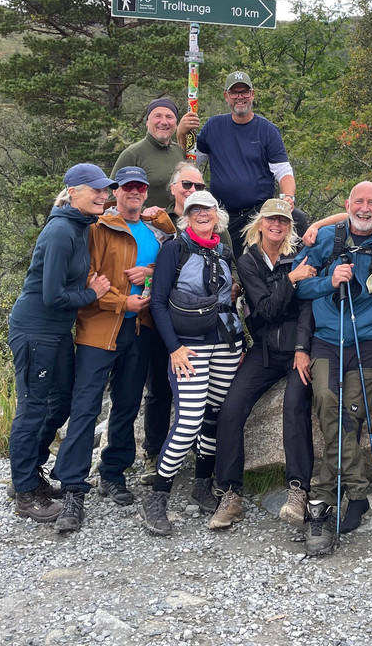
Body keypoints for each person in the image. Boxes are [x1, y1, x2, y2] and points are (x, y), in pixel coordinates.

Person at [48, 166, 175, 532]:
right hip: (100, 328)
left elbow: (168, 269)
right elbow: (84, 276)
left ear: (146, 194)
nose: (134, 193)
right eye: (127, 187)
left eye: (140, 187)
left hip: (141, 329)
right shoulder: (97, 227)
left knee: (127, 404)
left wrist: (149, 272)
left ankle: (113, 473)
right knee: (84, 406)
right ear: (115, 192)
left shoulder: (155, 232)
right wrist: (123, 302)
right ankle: (73, 487)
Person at [292, 181, 372, 556]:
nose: (365, 208)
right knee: (325, 400)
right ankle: (356, 492)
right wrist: (327, 281)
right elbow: (298, 287)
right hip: (326, 338)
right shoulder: (324, 239)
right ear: (347, 204)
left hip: (369, 341)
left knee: (351, 412)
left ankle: (320, 497)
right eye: (359, 202)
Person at [6, 163, 114, 522]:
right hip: (36, 329)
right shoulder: (60, 231)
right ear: (73, 192)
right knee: (33, 409)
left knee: (62, 401)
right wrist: (91, 293)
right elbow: (52, 295)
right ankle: (24, 491)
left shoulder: (80, 225)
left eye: (105, 190)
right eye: (96, 190)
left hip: (55, 332)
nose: (104, 195)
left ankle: (29, 473)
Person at [208, 199, 317, 530]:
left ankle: (298, 489)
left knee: (295, 406)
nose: (277, 225)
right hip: (265, 351)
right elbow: (266, 310)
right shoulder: (248, 260)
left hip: (297, 349)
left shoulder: (297, 256)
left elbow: (307, 309)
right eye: (271, 220)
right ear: (260, 223)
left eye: (283, 222)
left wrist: (302, 347)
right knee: (231, 408)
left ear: (289, 227)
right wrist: (292, 280)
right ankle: (230, 493)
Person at [144, 190, 243, 536]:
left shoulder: (223, 251)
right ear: (186, 215)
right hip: (189, 348)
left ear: (217, 214)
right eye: (196, 209)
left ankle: (202, 483)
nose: (203, 214)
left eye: (209, 209)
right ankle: (158, 496)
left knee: (213, 417)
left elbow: (229, 300)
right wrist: (174, 348)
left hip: (225, 344)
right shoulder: (174, 248)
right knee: (188, 422)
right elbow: (158, 303)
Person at [195, 71, 307, 247]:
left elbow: (283, 170)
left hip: (258, 212)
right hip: (223, 214)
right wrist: (181, 134)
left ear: (252, 94)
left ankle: (291, 270)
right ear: (226, 96)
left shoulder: (268, 130)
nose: (240, 97)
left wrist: (288, 197)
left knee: (298, 218)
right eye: (234, 93)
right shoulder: (213, 126)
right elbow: (192, 161)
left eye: (245, 92)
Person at [112, 97, 201, 211]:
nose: (163, 122)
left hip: (179, 223)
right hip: (148, 224)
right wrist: (142, 211)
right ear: (147, 122)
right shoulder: (133, 154)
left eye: (169, 117)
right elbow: (112, 194)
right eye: (157, 116)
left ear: (176, 124)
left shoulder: (179, 151)